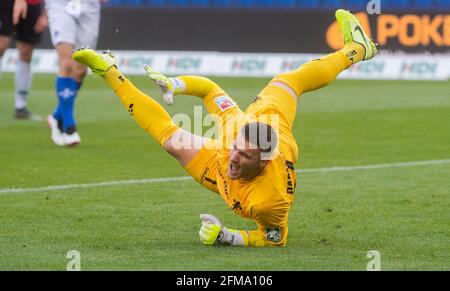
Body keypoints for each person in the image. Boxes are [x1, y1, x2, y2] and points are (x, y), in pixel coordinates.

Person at [73, 10, 377, 247]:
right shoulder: (236, 133)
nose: (234, 157)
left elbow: (274, 240)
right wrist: (174, 84)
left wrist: (227, 236)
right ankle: (108, 68)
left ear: (264, 161)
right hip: (259, 123)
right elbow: (208, 89)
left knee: (291, 82)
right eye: (236, 149)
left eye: (244, 155)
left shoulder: (270, 202)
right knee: (287, 82)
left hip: (273, 133)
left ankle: (358, 48)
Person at [45, 0, 107, 146]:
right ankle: (69, 126)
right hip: (60, 4)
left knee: (80, 69)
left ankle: (56, 116)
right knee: (66, 63)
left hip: (90, 5)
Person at [0, 0, 47, 119]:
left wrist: (46, 14)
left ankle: (20, 107)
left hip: (32, 4)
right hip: (6, 3)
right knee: (1, 45)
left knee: (26, 52)